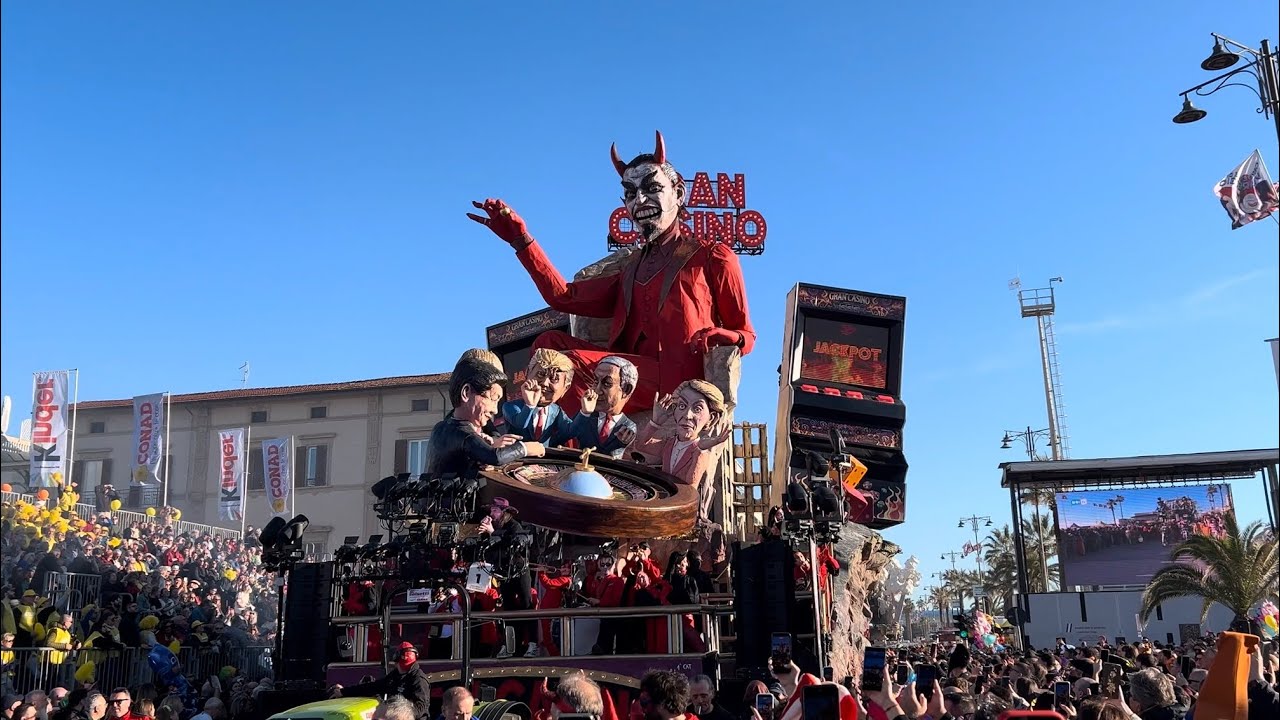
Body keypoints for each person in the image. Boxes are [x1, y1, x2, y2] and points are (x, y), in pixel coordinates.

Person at [468, 131, 755, 416]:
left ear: (678, 193)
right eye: (631, 193)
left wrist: (727, 336)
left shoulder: (713, 257)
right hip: (626, 374)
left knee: (570, 364)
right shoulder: (630, 270)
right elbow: (563, 297)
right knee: (548, 344)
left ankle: (571, 438)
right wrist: (521, 241)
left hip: (676, 382)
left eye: (651, 188)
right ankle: (540, 428)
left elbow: (747, 334)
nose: (640, 200)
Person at [426, 351, 546, 477]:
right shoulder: (459, 431)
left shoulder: (451, 426)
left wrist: (490, 446)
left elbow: (491, 448)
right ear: (466, 393)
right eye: (493, 398)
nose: (495, 410)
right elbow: (495, 456)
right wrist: (525, 448)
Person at [630, 380, 733, 522]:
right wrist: (655, 422)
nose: (687, 415)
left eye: (697, 409)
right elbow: (641, 445)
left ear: (712, 418)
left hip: (680, 513)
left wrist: (700, 449)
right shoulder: (669, 444)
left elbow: (690, 487)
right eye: (682, 406)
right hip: (663, 505)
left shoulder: (701, 453)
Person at [335, 642, 432, 719]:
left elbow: (421, 708)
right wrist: (344, 692)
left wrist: (400, 714)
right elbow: (373, 687)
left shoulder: (419, 679)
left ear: (396, 660)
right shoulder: (395, 676)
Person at [567, 356, 639, 459]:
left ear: (626, 390)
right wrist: (584, 413)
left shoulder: (628, 427)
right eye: (596, 381)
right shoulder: (585, 417)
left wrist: (621, 443)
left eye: (607, 384)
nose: (597, 390)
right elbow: (568, 434)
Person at [499, 350, 575, 446]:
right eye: (540, 375)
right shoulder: (510, 406)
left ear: (565, 388)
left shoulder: (556, 411)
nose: (544, 383)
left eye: (554, 379)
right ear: (527, 374)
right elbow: (520, 424)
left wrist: (585, 413)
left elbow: (571, 430)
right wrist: (530, 405)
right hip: (518, 457)